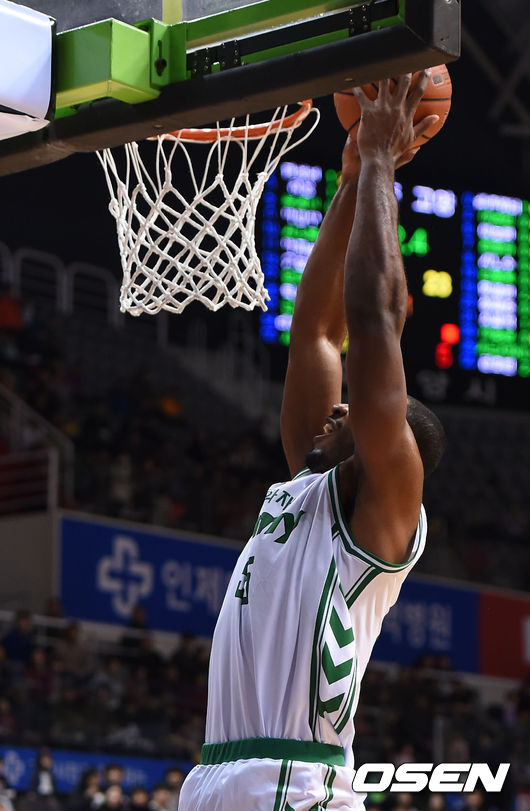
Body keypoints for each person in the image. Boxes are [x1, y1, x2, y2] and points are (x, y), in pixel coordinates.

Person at [179, 71, 446, 810]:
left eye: (356, 412)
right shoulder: (309, 483)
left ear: (386, 445)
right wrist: (353, 174)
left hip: (296, 785)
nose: (338, 411)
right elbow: (320, 332)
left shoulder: (383, 519)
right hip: (220, 775)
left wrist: (384, 162)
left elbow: (372, 320)